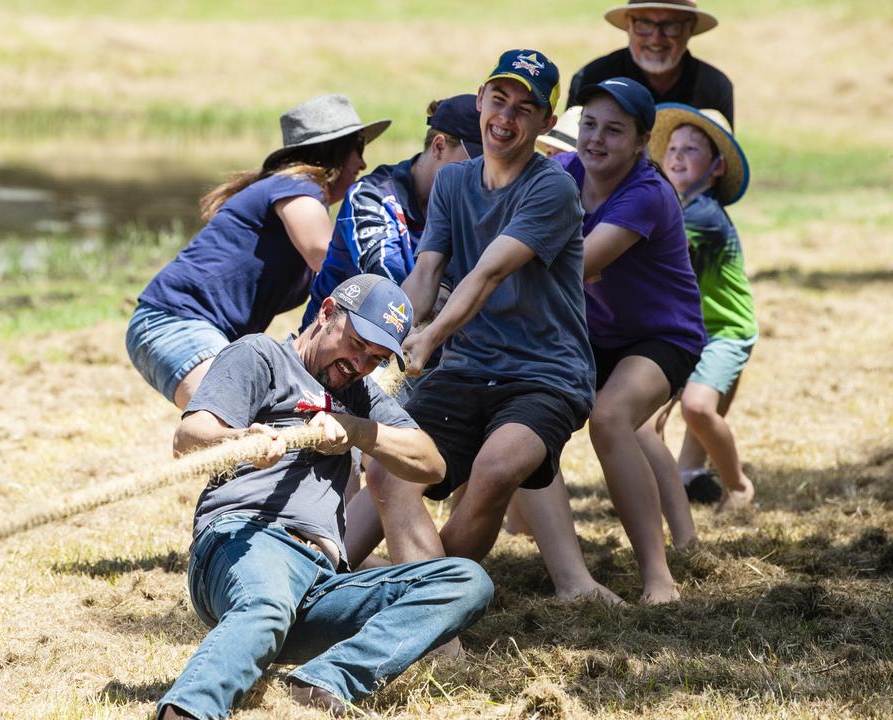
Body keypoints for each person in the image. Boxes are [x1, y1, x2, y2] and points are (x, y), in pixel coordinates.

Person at [344, 50, 618, 604]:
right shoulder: (452, 184)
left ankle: (426, 604)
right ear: (480, 102)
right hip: (468, 369)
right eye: (499, 99)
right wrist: (387, 333)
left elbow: (488, 273)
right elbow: (425, 275)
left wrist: (431, 337)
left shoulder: (552, 189)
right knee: (389, 470)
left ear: (545, 124)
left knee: (495, 469)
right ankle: (319, 577)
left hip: (546, 375)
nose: (507, 117)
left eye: (526, 107)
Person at [157, 274, 493, 720]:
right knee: (268, 602)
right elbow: (188, 436)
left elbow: (431, 464)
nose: (359, 363)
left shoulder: (361, 397)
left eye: (375, 359)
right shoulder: (262, 355)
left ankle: (325, 681)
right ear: (327, 311)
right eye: (356, 344)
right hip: (248, 541)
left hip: (319, 581)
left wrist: (355, 430)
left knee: (466, 582)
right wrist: (242, 438)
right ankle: (188, 710)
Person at [127, 94, 389, 409]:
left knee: (252, 417)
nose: (362, 163)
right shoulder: (298, 187)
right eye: (357, 149)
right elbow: (325, 255)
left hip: (183, 324)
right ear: (333, 153)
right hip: (176, 321)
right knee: (235, 414)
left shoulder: (288, 190)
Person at [553, 77, 707, 603]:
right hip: (598, 333)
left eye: (613, 130)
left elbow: (578, 264)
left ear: (642, 142)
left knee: (612, 416)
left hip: (665, 335)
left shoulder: (646, 193)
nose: (595, 139)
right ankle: (685, 540)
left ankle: (660, 577)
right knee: (527, 406)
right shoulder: (564, 172)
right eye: (589, 124)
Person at [648, 103, 756, 511]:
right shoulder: (670, 204)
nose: (677, 155)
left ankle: (739, 484)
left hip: (725, 331)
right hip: (685, 329)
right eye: (673, 147)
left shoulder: (704, 216)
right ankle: (674, 486)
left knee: (696, 407)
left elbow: (648, 247)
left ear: (716, 169)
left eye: (692, 149)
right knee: (648, 418)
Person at [299, 94, 481, 329]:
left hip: (421, 353)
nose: (482, 177)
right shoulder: (371, 196)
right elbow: (392, 293)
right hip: (338, 349)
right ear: (439, 147)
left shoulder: (471, 209)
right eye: (475, 163)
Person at [567, 0, 734, 128]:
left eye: (670, 25)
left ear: (690, 27)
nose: (656, 39)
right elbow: (567, 156)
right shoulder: (592, 79)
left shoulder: (714, 87)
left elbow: (723, 164)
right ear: (628, 25)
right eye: (644, 24)